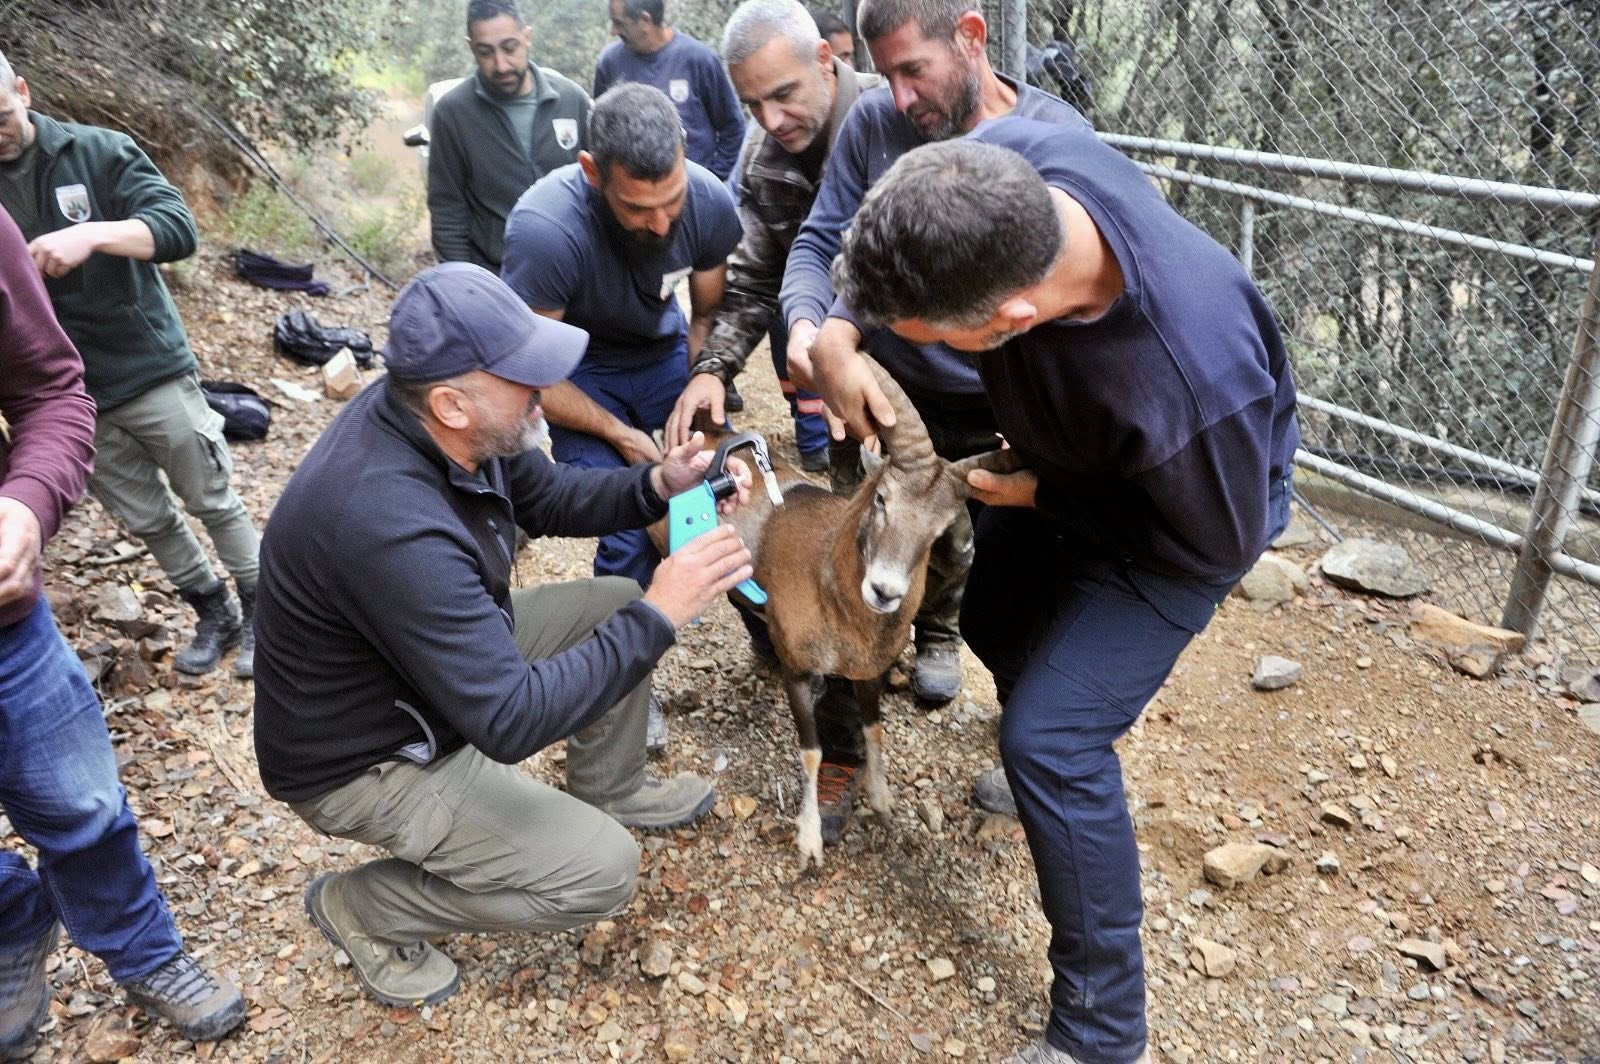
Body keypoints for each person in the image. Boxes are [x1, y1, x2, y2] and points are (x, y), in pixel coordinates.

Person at [826, 124, 1299, 1064]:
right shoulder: (1011, 167)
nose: (905, 345)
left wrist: (1047, 492)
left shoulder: (1189, 383)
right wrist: (839, 335)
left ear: (1007, 316)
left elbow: (1218, 543)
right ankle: (1049, 774)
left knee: (1051, 737)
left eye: (925, 338)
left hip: (1184, 526)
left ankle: (1100, 1032)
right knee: (998, 609)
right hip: (1075, 465)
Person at [252, 263, 754, 1007]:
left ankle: (609, 785)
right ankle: (363, 908)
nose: (542, 390)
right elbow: (510, 721)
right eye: (523, 377)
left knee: (610, 601)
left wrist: (659, 484)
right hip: (368, 753)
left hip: (419, 677)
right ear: (452, 402)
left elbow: (549, 496)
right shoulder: (386, 520)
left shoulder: (456, 425)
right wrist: (662, 612)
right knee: (602, 870)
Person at [0, 207, 246, 1057]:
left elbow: (45, 390)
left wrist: (25, 505)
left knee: (83, 804)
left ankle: (147, 955)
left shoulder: (79, 160)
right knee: (159, 524)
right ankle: (11, 923)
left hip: (7, 618)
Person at [0, 50, 260, 679]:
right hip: (66, 400)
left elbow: (177, 228)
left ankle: (266, 610)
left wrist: (92, 234)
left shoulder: (96, 151)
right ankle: (213, 609)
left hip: (149, 369)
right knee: (147, 517)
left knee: (212, 497)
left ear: (24, 92)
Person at [501, 83, 742, 588]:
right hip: (576, 374)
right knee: (627, 521)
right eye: (636, 208)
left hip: (663, 355)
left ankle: (769, 637)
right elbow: (532, 373)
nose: (659, 224)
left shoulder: (709, 203)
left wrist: (702, 378)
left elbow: (704, 319)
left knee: (721, 486)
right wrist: (620, 434)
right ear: (592, 172)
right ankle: (624, 650)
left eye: (671, 201)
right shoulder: (545, 231)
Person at [666, 0, 878, 474]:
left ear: (825, 58)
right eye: (753, 104)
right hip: (835, 388)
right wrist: (712, 368)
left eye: (784, 94)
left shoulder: (890, 119)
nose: (772, 119)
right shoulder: (763, 156)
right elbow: (753, 280)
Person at [427, 0, 592, 270]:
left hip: (573, 271)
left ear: (527, 37)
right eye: (485, 52)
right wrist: (465, 285)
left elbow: (603, 187)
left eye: (509, 47)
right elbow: (447, 210)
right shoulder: (453, 113)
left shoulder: (571, 99)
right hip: (497, 276)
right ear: (470, 48)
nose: (501, 64)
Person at [595, 0, 746, 182]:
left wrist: (714, 177)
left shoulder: (699, 59)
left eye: (619, 23)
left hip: (693, 189)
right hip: (634, 193)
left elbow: (733, 127)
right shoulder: (609, 63)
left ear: (644, 20)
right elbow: (601, 132)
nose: (613, 31)